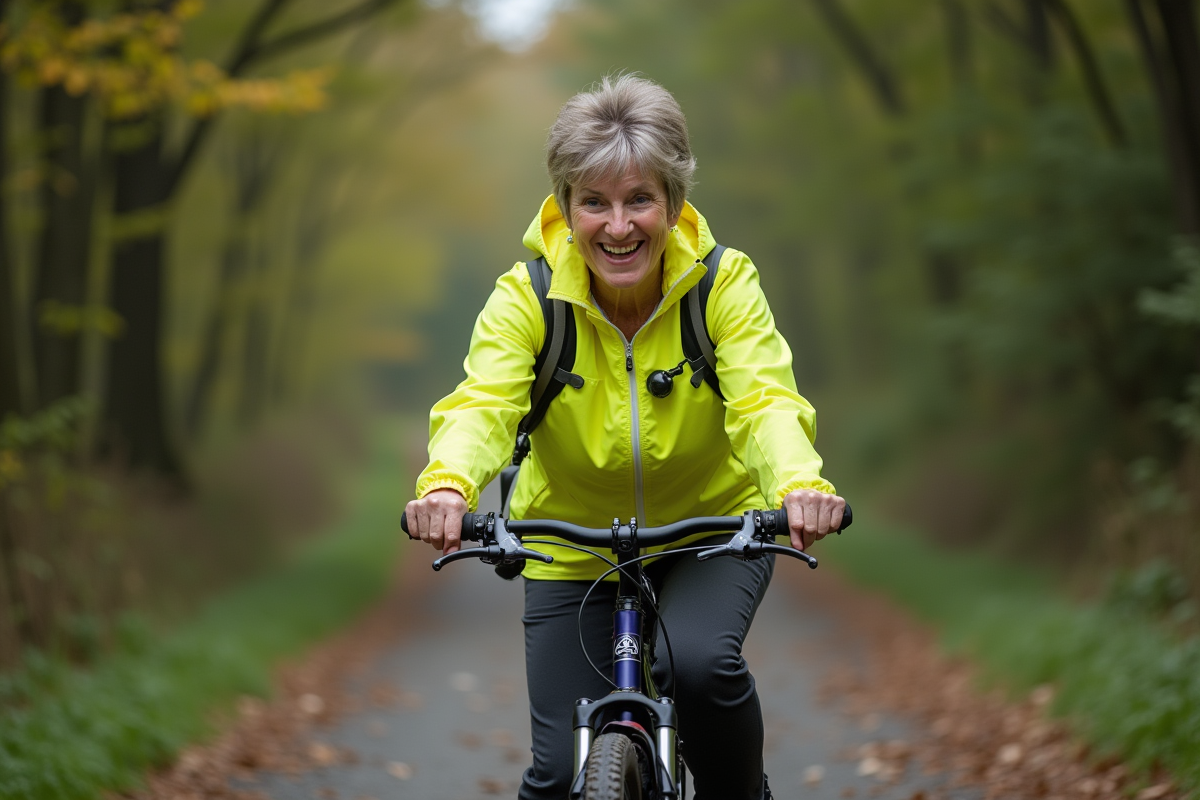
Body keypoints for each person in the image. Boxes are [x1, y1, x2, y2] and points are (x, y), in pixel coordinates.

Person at [405, 74, 845, 800]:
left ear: (673, 202)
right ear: (564, 206)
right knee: (558, 777)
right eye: (594, 202)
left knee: (699, 666)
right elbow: (484, 402)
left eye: (639, 199)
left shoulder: (722, 285)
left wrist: (799, 485)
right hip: (569, 544)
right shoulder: (528, 297)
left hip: (712, 533)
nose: (617, 227)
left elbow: (765, 399)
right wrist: (447, 485)